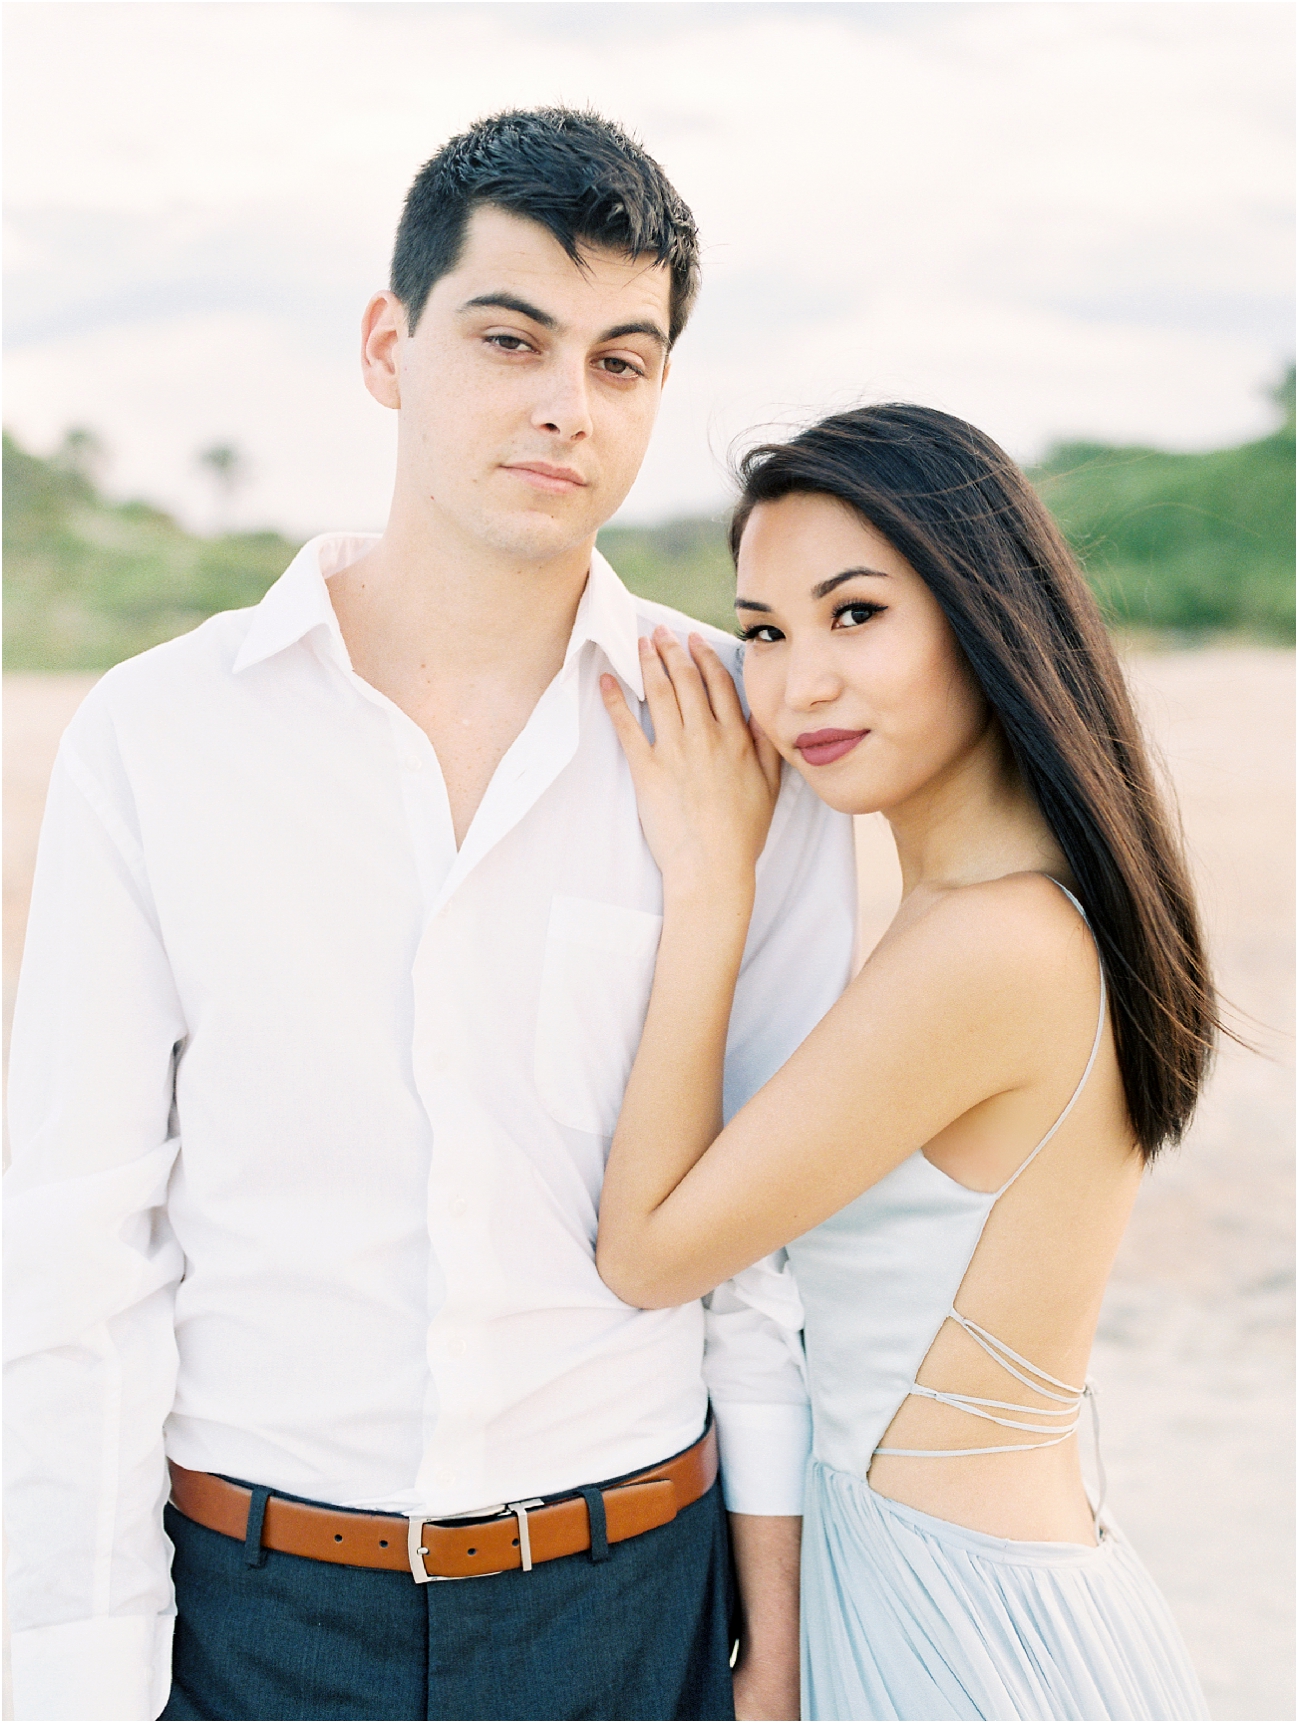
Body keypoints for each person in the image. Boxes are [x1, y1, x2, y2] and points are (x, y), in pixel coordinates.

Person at [3, 110, 857, 1723]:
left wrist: (779, 1651)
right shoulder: (159, 733)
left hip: (628, 1598)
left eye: (622, 361)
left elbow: (769, 1256)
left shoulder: (743, 742)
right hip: (246, 1613)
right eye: (510, 338)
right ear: (390, 346)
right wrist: (74, 1683)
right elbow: (76, 1252)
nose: (563, 404)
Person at [596, 403, 1213, 1721]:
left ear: (987, 616)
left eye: (855, 614)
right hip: (984, 1590)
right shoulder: (1008, 914)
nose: (794, 684)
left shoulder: (988, 950)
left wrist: (710, 886)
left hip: (951, 1628)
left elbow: (648, 1254)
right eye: (762, 630)